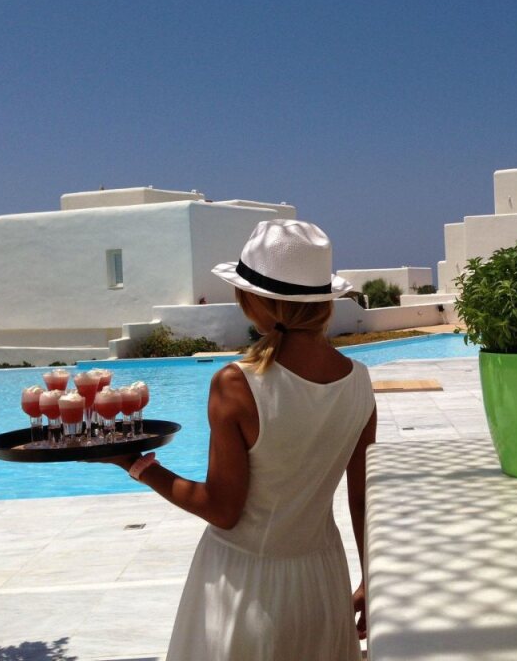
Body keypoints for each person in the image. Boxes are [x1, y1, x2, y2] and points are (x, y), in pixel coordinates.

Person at [96, 219, 376, 659]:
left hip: (246, 584)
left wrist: (136, 464)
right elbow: (363, 498)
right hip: (322, 578)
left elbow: (223, 510)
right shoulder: (359, 381)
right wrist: (371, 579)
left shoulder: (237, 384)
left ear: (257, 302)